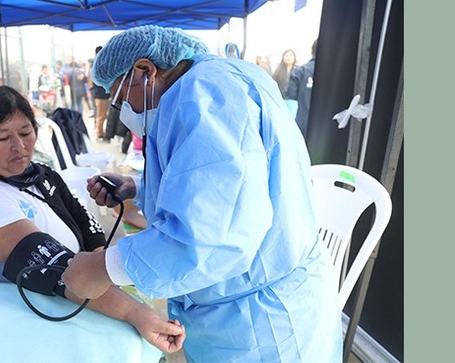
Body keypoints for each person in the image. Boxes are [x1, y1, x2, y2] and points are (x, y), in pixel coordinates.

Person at [61, 25, 342, 362]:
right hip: (249, 305)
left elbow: (207, 234)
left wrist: (103, 268)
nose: (125, 112)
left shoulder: (204, 95)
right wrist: (138, 186)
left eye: (122, 99)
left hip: (261, 324)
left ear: (145, 71)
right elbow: (226, 182)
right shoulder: (220, 79)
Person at [0, 85, 185, 354]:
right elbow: (53, 268)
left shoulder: (38, 175)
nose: (19, 147)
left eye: (25, 133)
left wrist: (101, 269)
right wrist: (134, 312)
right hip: (36, 312)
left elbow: (83, 219)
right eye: (3, 138)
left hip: (81, 291)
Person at [285, 39, 317, 138]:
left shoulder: (300, 72)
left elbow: (290, 98)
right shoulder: (339, 75)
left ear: (312, 51)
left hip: (302, 127)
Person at [90, 46, 112, 142]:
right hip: (101, 94)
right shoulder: (100, 64)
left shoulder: (94, 63)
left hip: (98, 93)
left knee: (100, 114)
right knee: (101, 115)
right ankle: (99, 134)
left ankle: (100, 132)